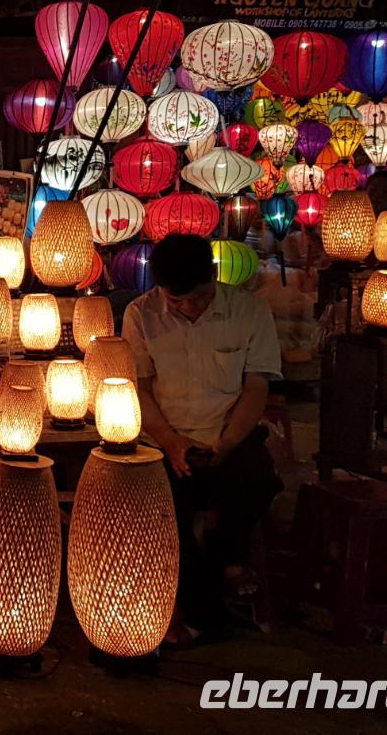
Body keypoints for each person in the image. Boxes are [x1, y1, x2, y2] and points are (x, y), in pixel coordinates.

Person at [121, 234, 282, 646]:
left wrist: (226, 445)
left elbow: (256, 388)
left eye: (196, 299)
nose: (188, 309)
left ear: (213, 276)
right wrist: (171, 442)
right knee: (163, 511)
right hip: (164, 440)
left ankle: (223, 558)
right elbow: (138, 389)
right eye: (176, 303)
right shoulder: (141, 315)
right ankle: (209, 612)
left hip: (230, 438)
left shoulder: (249, 312)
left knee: (256, 483)